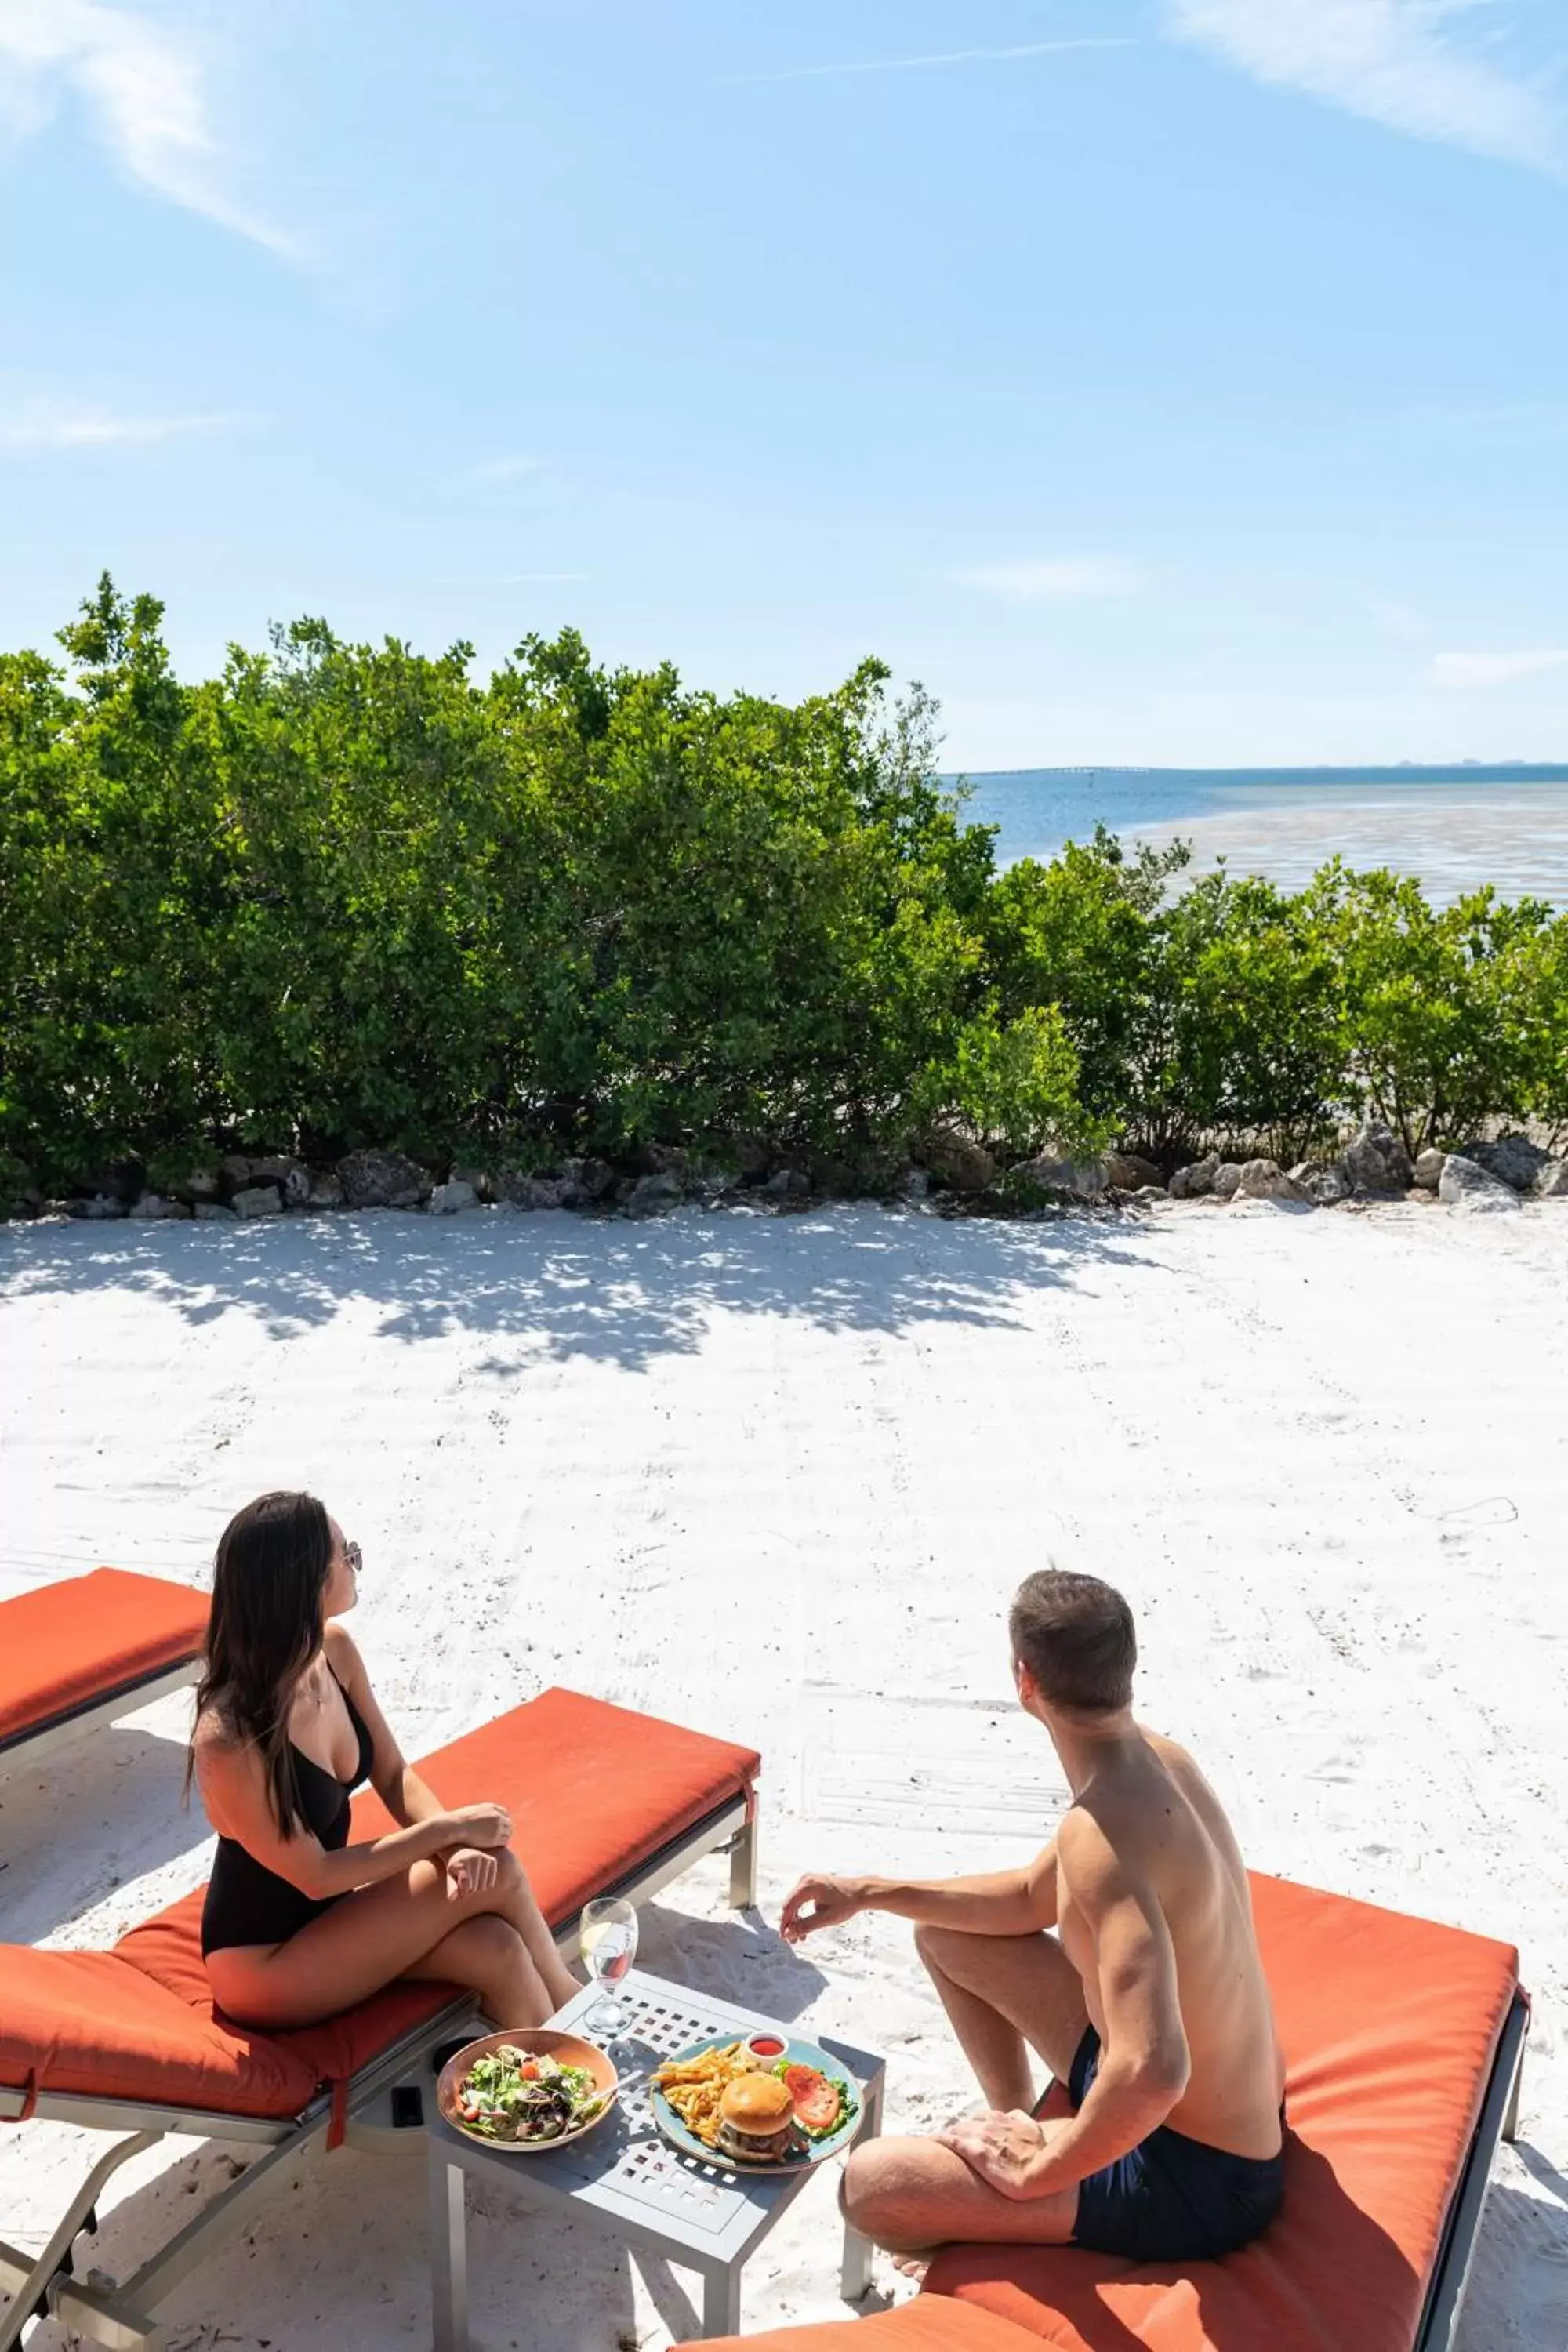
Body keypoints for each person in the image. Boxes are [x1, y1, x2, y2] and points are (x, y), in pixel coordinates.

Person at [781, 1569, 1286, 2263]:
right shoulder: (1156, 1759)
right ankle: (1015, 2117)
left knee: (873, 2187)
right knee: (948, 1936)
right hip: (1208, 2110)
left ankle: (1018, 2177)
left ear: (1025, 1681)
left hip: (1198, 2174)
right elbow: (1026, 1899)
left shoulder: (1101, 1834)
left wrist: (1034, 2173)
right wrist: (869, 1891)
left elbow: (1155, 2071)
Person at [189, 1491, 578, 2031]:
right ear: (304, 1584)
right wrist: (448, 1833)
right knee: (501, 1870)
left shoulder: (334, 1651)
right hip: (265, 1967)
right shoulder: (228, 1737)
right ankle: (580, 2010)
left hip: (331, 1923)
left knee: (499, 1950)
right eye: (346, 1554)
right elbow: (317, 1875)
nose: (355, 1564)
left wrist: (456, 1848)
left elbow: (394, 1776)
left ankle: (556, 2089)